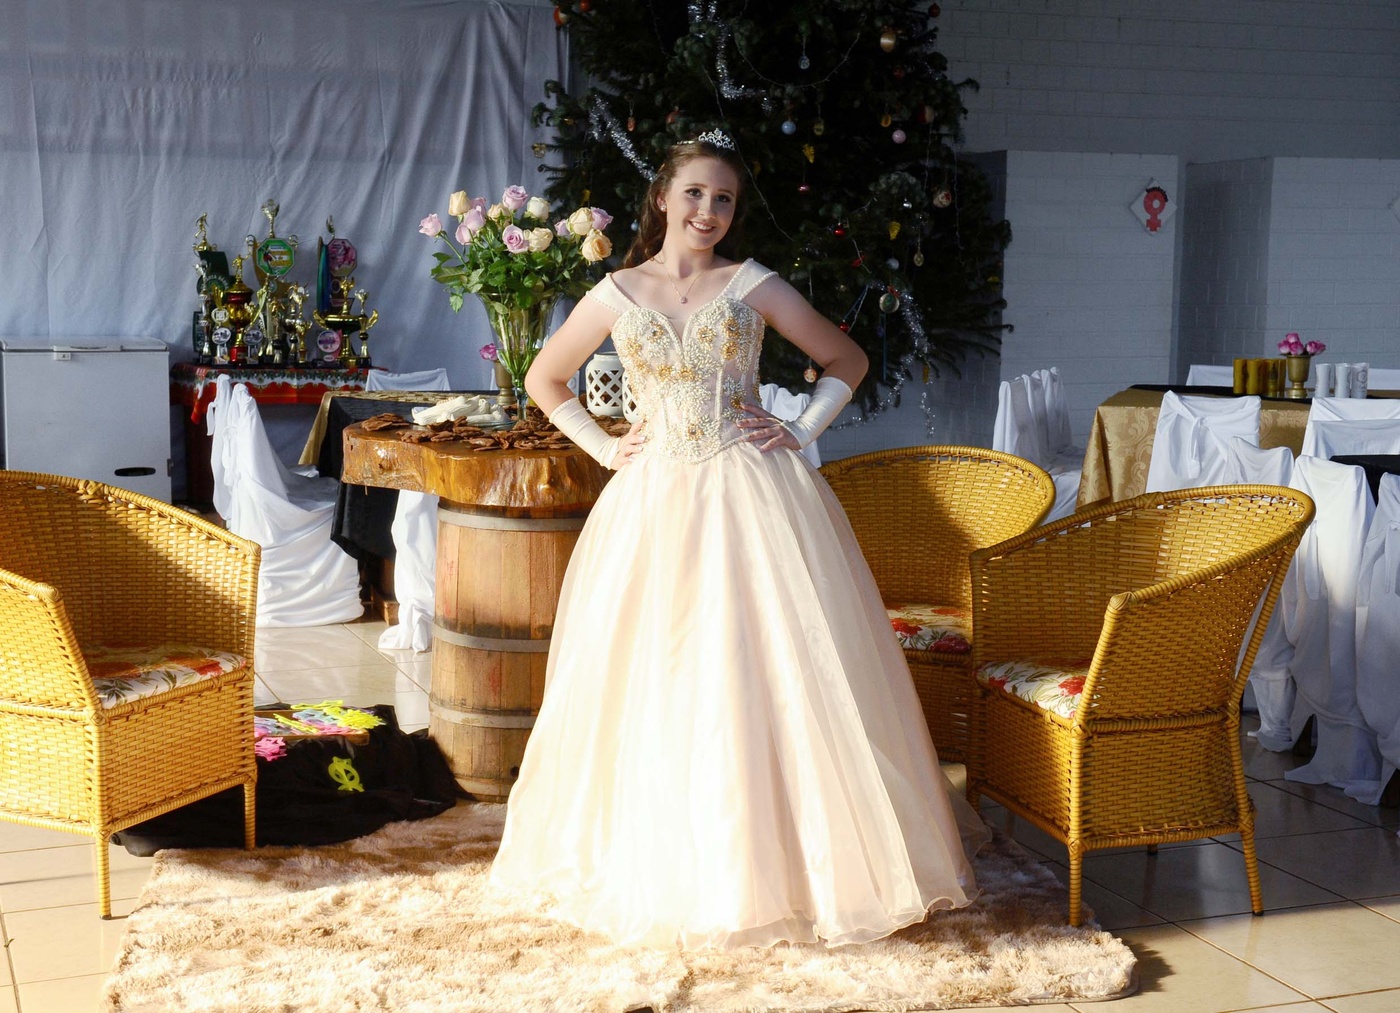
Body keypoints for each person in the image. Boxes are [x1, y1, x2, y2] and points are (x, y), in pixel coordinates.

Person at [488, 130, 987, 951]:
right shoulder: (617, 291)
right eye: (694, 193)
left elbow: (846, 358)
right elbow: (545, 377)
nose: (708, 210)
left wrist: (802, 425)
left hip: (751, 490)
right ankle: (658, 862)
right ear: (662, 198)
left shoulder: (751, 282)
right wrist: (605, 447)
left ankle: (790, 867)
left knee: (762, 666)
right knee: (651, 668)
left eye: (723, 199)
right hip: (651, 499)